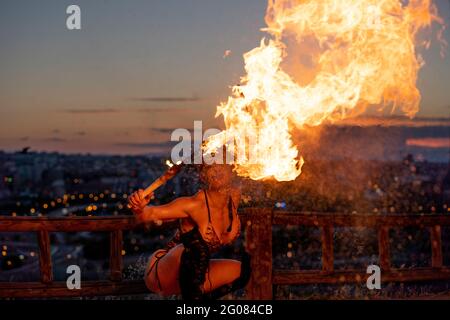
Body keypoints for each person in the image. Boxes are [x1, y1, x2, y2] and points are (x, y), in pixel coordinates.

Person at [128, 163, 251, 300]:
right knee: (196, 248)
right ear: (202, 176)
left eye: (222, 165)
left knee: (245, 271)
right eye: (210, 167)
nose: (217, 169)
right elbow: (147, 215)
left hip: (196, 279)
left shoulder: (234, 197)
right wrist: (138, 207)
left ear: (231, 169)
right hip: (163, 274)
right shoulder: (193, 205)